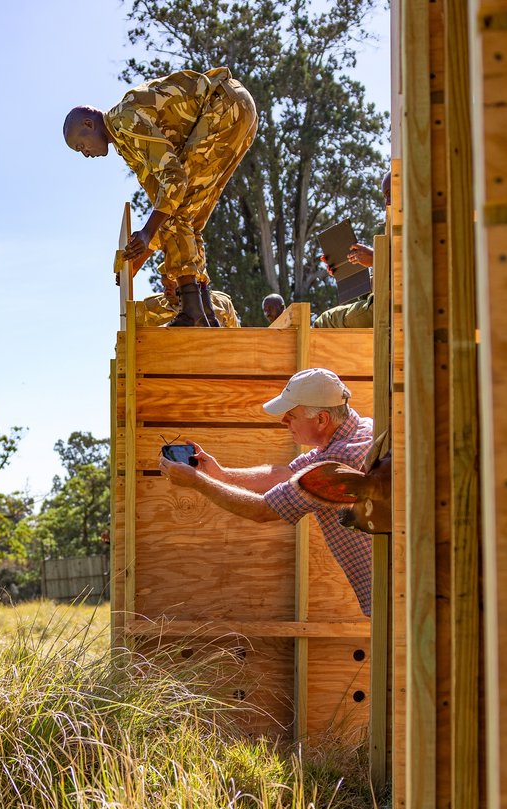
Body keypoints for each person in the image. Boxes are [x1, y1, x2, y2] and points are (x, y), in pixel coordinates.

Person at [157, 367, 375, 615]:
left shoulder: (337, 460)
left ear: (322, 419)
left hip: (393, 594)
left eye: (291, 415)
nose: (284, 421)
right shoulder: (359, 431)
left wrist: (197, 482)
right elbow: (283, 475)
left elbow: (263, 510)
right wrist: (220, 474)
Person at [64, 67, 258, 327]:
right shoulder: (127, 141)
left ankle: (192, 312)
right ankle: (206, 313)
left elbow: (173, 181)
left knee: (178, 213)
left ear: (89, 123)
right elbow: (164, 205)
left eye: (81, 145)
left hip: (223, 107)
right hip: (237, 109)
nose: (85, 153)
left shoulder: (124, 119)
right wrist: (139, 257)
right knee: (187, 220)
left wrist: (146, 234)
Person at [313, 171, 392, 329]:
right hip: (378, 297)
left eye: (391, 193)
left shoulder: (414, 227)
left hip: (385, 306)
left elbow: (411, 266)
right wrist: (348, 266)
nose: (387, 202)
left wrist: (375, 259)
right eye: (385, 196)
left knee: (323, 322)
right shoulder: (392, 226)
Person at [140, 279, 241, 327]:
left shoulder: (221, 303)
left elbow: (237, 337)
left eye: (171, 285)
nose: (166, 291)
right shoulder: (152, 305)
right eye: (165, 285)